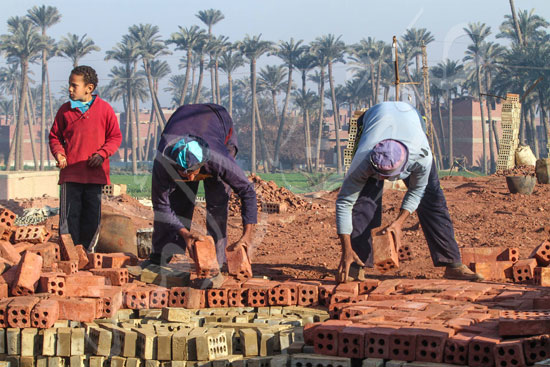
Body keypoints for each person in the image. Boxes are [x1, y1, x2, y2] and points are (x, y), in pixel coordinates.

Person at [335, 101, 483, 282]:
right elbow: (344, 202)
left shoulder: (422, 157)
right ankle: (355, 263)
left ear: (404, 167)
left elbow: (417, 191)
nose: (383, 180)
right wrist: (346, 249)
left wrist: (399, 222)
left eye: (387, 176)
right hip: (375, 118)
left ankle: (452, 264)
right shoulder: (364, 160)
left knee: (433, 198)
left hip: (410, 117)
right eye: (379, 175)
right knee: (363, 201)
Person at [150, 103, 257, 267]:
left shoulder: (219, 159)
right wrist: (185, 234)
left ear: (204, 162)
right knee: (179, 197)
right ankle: (164, 255)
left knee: (218, 200)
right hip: (183, 118)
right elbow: (161, 204)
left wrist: (247, 236)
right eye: (184, 173)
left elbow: (247, 191)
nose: (192, 178)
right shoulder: (163, 161)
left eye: (194, 172)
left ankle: (216, 261)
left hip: (217, 123)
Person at [49, 65, 122, 248]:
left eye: (74, 85)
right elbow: (54, 137)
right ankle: (69, 254)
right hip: (71, 174)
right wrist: (59, 153)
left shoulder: (105, 110)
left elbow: (115, 137)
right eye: (69, 85)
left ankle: (87, 255)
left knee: (91, 217)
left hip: (95, 176)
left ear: (89, 88)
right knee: (69, 218)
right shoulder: (64, 111)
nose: (70, 89)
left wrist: (102, 154)